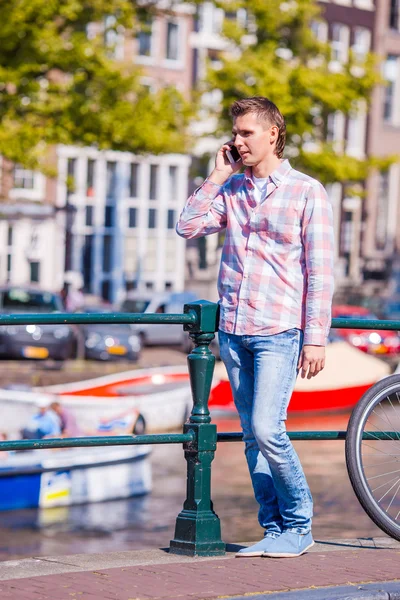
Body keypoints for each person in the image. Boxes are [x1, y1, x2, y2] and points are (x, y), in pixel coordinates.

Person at [176, 97, 334, 558]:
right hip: (233, 329)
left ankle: (299, 523)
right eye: (236, 133)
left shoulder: (307, 192)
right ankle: (275, 529)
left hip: (279, 330)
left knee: (268, 428)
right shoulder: (233, 190)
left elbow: (320, 271)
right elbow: (187, 227)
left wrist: (316, 337)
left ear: (273, 134)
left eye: (247, 133)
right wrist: (218, 176)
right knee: (250, 437)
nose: (238, 141)